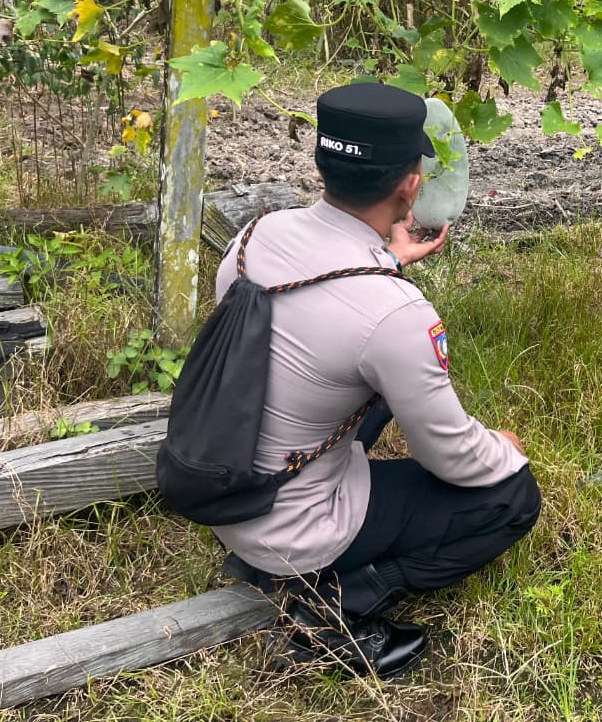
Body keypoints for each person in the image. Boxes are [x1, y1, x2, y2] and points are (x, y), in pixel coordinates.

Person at [216, 82, 540, 679]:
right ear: (411, 184)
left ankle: (288, 560)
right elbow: (452, 457)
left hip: (227, 486)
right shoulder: (393, 314)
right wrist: (505, 450)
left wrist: (387, 259)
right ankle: (337, 605)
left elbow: (320, 320)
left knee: (375, 383)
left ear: (322, 163)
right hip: (293, 530)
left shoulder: (252, 238)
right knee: (512, 497)